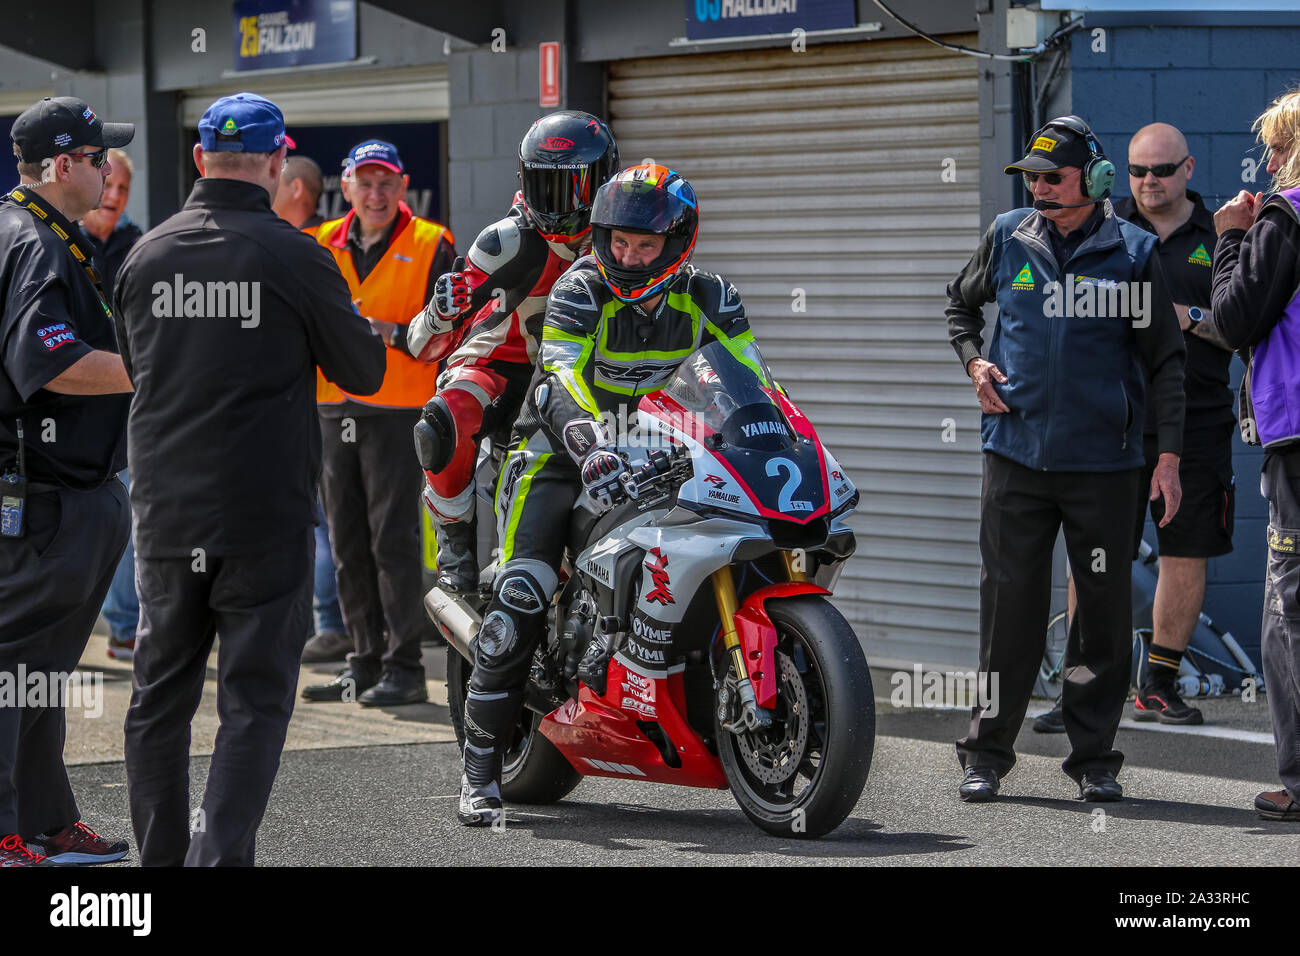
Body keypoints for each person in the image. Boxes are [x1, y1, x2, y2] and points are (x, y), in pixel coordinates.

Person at [455, 163, 772, 826]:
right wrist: (589, 444)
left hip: (664, 447)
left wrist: (772, 436)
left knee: (752, 541)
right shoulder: (581, 286)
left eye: (644, 245)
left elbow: (751, 379)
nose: (627, 257)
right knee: (524, 590)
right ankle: (479, 768)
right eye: (618, 242)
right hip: (557, 451)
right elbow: (555, 378)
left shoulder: (711, 295)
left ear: (678, 240)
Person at [115, 92, 386, 865]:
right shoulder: (300, 255)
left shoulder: (147, 253)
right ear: (276, 162)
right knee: (254, 701)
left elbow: (137, 369)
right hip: (262, 516)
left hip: (167, 514)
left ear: (200, 159)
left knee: (157, 699)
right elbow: (362, 370)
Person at [946, 116, 1186, 804]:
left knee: (1101, 618)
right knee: (1008, 612)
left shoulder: (1134, 254)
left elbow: (1166, 364)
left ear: (1097, 181)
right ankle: (986, 753)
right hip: (1016, 461)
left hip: (1104, 469)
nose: (1041, 189)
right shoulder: (1008, 237)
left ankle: (1093, 762)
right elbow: (960, 309)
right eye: (1033, 178)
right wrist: (975, 364)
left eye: (1054, 177)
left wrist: (1166, 459)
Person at [1035, 122, 1235, 734]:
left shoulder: (1222, 237)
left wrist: (1188, 317)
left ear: (1189, 170)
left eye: (1163, 171)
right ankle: (1081, 687)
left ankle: (1160, 685)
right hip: (1112, 420)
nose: (1149, 183)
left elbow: (1243, 327)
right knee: (1093, 555)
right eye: (1139, 171)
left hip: (1196, 420)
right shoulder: (1103, 227)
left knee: (1185, 547)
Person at [0, 96, 136, 866]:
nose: (107, 168)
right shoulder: (33, 242)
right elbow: (48, 362)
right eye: (95, 157)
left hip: (64, 495)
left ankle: (47, 823)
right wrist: (159, 374)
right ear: (60, 166)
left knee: (39, 676)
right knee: (11, 668)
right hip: (43, 500)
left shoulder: (40, 232)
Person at [407, 111, 619, 593]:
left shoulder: (623, 238)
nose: (560, 204)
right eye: (545, 187)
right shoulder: (505, 242)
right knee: (443, 420)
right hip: (503, 371)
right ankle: (455, 542)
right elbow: (421, 345)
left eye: (574, 188)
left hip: (586, 375)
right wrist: (441, 312)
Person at [302, 140, 456, 707]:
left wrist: (391, 332)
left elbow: (453, 325)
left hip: (399, 409)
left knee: (393, 540)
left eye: (385, 182)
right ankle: (362, 663)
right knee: (346, 542)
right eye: (364, 183)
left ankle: (405, 666)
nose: (375, 193)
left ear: (402, 185)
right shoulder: (318, 243)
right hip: (330, 406)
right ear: (344, 188)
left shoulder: (432, 242)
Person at [1200, 89, 1300, 822]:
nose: (1267, 162)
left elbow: (1234, 321)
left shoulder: (1282, 216)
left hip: (1296, 444)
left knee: (1286, 617)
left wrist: (1231, 235)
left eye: (1277, 146)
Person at [270, 154, 350, 663]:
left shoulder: (310, 248)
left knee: (326, 524)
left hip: (332, 405)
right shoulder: (305, 247)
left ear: (297, 189)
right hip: (313, 404)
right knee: (326, 523)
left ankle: (331, 623)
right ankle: (332, 623)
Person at [80, 147, 145, 663]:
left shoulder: (140, 245)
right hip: (69, 398)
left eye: (124, 189)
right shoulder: (59, 240)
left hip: (128, 398)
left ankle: (124, 627)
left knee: (125, 509)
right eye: (109, 185)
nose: (116, 198)